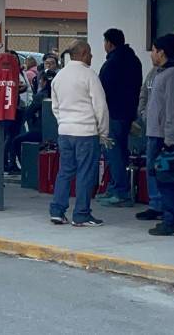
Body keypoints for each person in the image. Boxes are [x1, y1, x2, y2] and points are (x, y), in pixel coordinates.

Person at [49, 40, 109, 227]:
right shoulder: (89, 75)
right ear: (82, 53)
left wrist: (64, 123)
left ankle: (57, 211)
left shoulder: (59, 76)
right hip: (86, 132)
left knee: (65, 172)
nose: (91, 56)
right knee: (85, 173)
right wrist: (103, 132)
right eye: (90, 53)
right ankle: (81, 214)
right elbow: (100, 107)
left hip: (65, 132)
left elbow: (55, 106)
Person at [136, 35, 174, 222]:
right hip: (154, 131)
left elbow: (173, 109)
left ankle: (172, 216)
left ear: (161, 52)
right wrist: (144, 114)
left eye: (154, 50)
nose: (151, 54)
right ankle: (160, 208)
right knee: (155, 173)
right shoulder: (157, 73)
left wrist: (170, 139)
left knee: (168, 176)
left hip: (165, 136)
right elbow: (145, 95)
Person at [97, 28, 143, 208]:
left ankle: (120, 192)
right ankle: (116, 187)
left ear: (109, 43)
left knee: (113, 153)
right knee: (121, 151)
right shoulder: (135, 60)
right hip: (128, 113)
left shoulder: (112, 63)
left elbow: (103, 91)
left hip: (113, 114)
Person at [9, 70, 56, 167]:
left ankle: (23, 167)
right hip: (59, 132)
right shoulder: (59, 94)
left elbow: (28, 113)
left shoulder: (41, 95)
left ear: (42, 81)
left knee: (15, 141)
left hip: (41, 132)